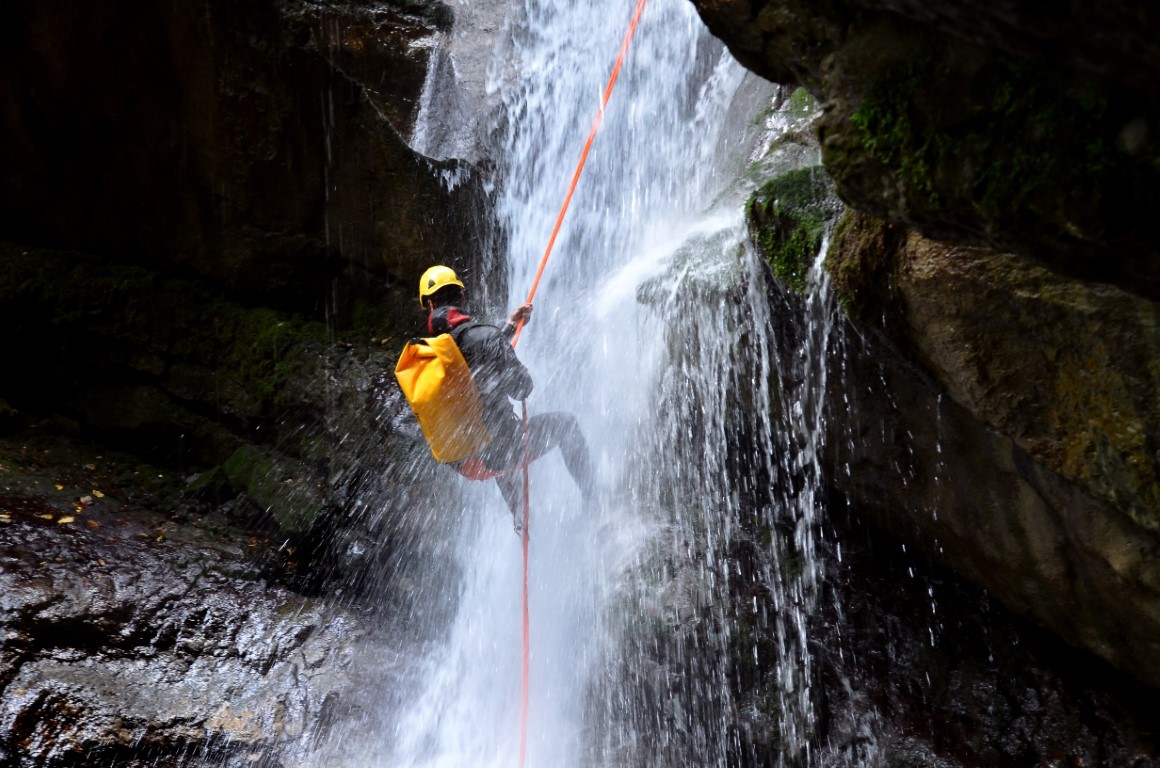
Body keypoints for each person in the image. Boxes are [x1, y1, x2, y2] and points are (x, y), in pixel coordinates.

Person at [417, 265, 596, 524]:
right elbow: (523, 387)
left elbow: (471, 356)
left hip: (462, 460)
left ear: (431, 306)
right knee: (564, 425)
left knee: (490, 433)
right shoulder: (486, 337)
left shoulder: (432, 352)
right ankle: (596, 500)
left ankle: (522, 522)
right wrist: (503, 355)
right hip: (497, 454)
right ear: (463, 298)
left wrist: (509, 328)